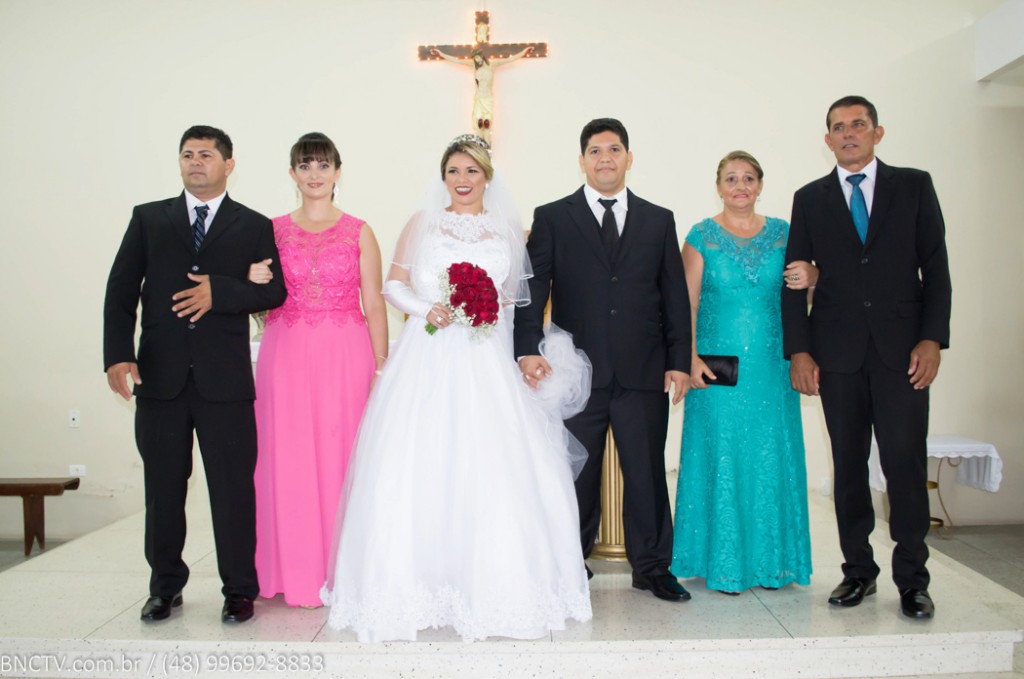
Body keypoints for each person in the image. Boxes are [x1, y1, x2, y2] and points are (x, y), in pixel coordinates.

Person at [320, 134, 592, 642]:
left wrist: (499, 330)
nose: (462, 180)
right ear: (442, 177)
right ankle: (414, 586)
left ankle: (497, 587)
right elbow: (393, 285)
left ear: (487, 176)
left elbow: (515, 302)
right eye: (453, 171)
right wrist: (429, 309)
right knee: (420, 461)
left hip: (488, 356)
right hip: (429, 356)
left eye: (471, 171)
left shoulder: (507, 230)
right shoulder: (422, 223)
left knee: (493, 463)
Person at [103, 125, 286, 623]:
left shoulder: (253, 225)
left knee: (232, 490)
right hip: (159, 379)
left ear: (229, 165)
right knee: (163, 490)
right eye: (188, 154)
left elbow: (273, 293)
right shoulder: (148, 218)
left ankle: (239, 590)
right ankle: (164, 587)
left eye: (206, 154)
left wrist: (218, 291)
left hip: (224, 382)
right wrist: (118, 354)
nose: (195, 162)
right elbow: (121, 290)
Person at [782, 96, 952, 619]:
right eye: (838, 127)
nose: (848, 133)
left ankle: (913, 580)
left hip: (904, 354)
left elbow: (936, 267)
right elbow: (794, 279)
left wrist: (932, 338)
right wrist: (800, 351)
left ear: (877, 132)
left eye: (858, 124)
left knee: (904, 464)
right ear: (827, 139)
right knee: (849, 468)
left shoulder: (914, 186)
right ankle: (858, 571)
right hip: (837, 355)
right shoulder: (809, 198)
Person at [514, 118, 692, 602]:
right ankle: (570, 563)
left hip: (643, 369)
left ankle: (653, 568)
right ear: (582, 161)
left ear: (629, 158)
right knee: (576, 473)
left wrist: (678, 359)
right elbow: (533, 290)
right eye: (595, 151)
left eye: (614, 149)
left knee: (646, 472)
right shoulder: (553, 217)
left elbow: (674, 296)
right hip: (575, 371)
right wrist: (526, 350)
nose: (605, 158)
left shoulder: (658, 219)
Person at [247, 133, 387, 607]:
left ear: (337, 171)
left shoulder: (359, 231)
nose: (314, 174)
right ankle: (289, 569)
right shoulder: (270, 231)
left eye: (323, 165)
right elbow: (256, 293)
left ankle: (343, 569)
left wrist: (381, 366)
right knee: (284, 456)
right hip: (285, 353)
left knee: (341, 453)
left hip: (345, 353)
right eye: (305, 165)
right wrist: (250, 277)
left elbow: (374, 303)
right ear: (292, 173)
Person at [672, 151, 816, 594]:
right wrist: (689, 358)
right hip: (718, 374)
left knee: (770, 457)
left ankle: (772, 563)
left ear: (760, 185)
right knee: (723, 457)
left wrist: (814, 276)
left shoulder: (784, 235)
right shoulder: (701, 236)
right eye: (731, 178)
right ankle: (721, 561)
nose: (740, 186)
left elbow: (805, 297)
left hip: (772, 370)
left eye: (748, 178)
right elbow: (684, 303)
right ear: (718, 186)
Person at [430, 46, 531, 145]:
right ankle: (480, 146)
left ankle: (487, 147)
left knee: (487, 125)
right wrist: (441, 54)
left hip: (488, 98)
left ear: (482, 56)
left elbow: (509, 59)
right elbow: (457, 60)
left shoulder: (492, 65)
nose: (477, 60)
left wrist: (523, 52)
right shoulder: (473, 66)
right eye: (475, 59)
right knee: (479, 125)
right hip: (479, 98)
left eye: (478, 57)